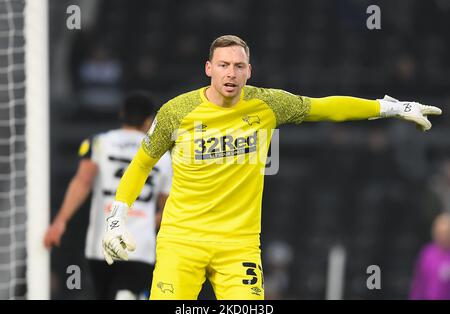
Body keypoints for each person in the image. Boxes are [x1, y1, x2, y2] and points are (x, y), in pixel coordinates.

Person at [101, 35, 442, 300]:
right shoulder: (177, 111)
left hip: (239, 245)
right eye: (223, 65)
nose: (231, 73)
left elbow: (323, 108)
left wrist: (388, 108)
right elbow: (142, 163)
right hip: (181, 240)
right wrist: (116, 218)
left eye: (238, 66)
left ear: (249, 71)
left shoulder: (267, 104)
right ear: (208, 68)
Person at [44, 92, 172, 299]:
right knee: (128, 293)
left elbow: (82, 182)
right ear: (150, 120)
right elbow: (168, 206)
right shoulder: (163, 156)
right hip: (139, 246)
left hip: (101, 244)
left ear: (122, 114)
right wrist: (151, 223)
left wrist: (60, 221)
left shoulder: (99, 143)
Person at [410, 213, 450, 300]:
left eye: (445, 233)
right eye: (439, 233)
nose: (442, 237)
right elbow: (418, 284)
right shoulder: (427, 254)